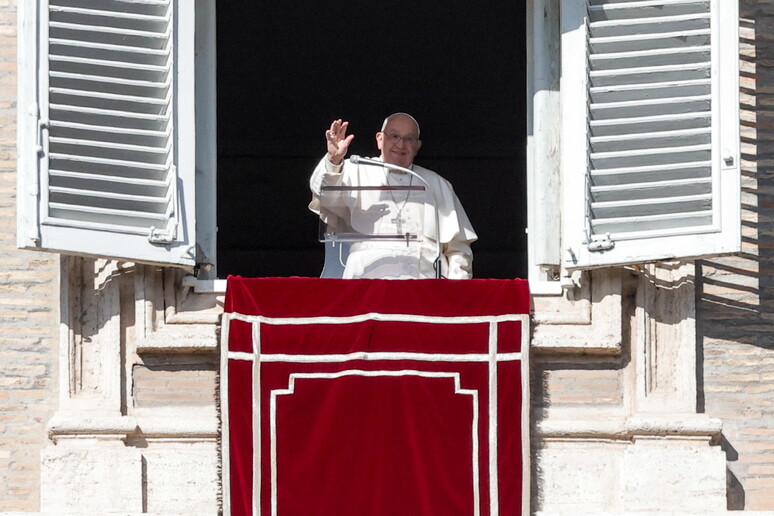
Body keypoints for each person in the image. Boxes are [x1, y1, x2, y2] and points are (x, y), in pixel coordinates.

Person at [309, 113, 477, 279]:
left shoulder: (436, 183)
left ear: (417, 146)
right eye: (394, 136)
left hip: (424, 286)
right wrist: (333, 160)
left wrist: (455, 291)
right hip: (365, 282)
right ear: (380, 139)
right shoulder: (354, 170)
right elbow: (323, 193)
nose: (401, 144)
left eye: (409, 139)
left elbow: (458, 249)